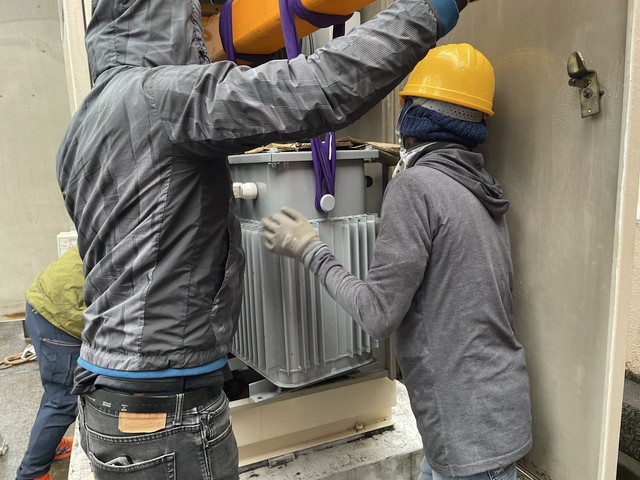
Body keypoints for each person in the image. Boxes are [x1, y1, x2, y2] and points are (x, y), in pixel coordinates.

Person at [55, 0, 478, 478]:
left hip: (107, 392)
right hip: (166, 407)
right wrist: (430, 8)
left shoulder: (83, 126)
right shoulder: (159, 97)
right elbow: (317, 86)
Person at [261, 43, 532, 480]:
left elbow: (377, 315)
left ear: (410, 114)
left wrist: (309, 248)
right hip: (495, 417)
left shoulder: (416, 187)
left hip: (465, 441)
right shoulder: (479, 187)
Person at [16, 247, 84, 480]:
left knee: (56, 395)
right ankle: (31, 474)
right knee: (63, 400)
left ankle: (49, 446)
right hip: (59, 316)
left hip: (42, 301)